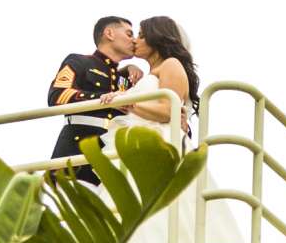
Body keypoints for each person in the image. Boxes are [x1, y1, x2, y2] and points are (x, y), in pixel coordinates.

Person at [48, 16, 143, 179]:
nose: (134, 40)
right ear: (109, 33)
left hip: (114, 153)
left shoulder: (126, 77)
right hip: (78, 148)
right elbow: (58, 95)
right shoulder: (80, 61)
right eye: (129, 34)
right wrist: (103, 100)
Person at [108, 15, 199, 151]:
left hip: (160, 141)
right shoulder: (147, 74)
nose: (135, 41)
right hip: (137, 139)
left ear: (157, 39)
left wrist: (128, 103)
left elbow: (169, 111)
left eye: (141, 36)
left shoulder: (171, 64)